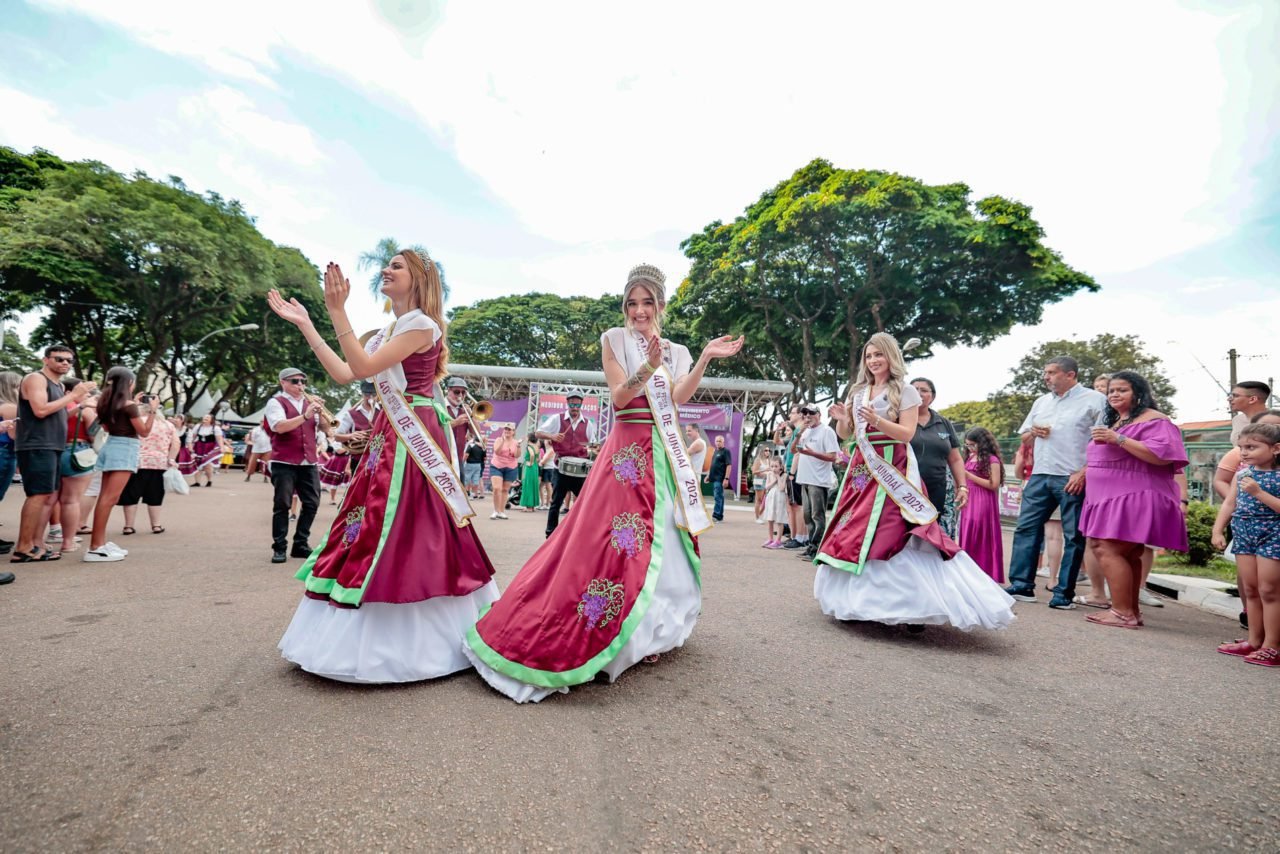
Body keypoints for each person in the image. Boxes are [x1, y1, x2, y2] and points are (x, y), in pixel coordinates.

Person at [465, 262, 743, 701]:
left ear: (660, 305)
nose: (638, 311)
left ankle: (653, 630)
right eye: (631, 303)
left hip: (662, 452)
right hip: (627, 453)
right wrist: (647, 367)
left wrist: (704, 357)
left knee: (665, 536)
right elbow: (619, 396)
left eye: (647, 302)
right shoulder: (613, 340)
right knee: (614, 539)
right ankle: (616, 629)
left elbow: (678, 398)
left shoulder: (678, 349)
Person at [269, 249, 498, 683]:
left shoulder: (421, 324)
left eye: (396, 266)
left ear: (419, 278)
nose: (385, 270)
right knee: (371, 522)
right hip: (388, 434)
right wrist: (308, 324)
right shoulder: (387, 331)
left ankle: (423, 637)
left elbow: (364, 366)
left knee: (410, 525)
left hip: (416, 434)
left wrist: (337, 310)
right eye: (386, 265)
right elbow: (345, 372)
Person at [813, 333, 1015, 631]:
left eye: (879, 355)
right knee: (854, 529)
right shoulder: (859, 391)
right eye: (869, 356)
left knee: (894, 528)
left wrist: (877, 420)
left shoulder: (904, 391)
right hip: (862, 470)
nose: (873, 361)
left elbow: (907, 434)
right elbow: (848, 435)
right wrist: (844, 419)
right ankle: (855, 604)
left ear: (891, 357)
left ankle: (911, 606)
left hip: (893, 466)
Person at [1077, 371, 1188, 630]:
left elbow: (1163, 456)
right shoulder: (1119, 421)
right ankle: (1130, 611)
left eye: (1122, 390)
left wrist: (1119, 439)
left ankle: (1121, 612)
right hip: (1108, 495)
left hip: (1132, 493)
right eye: (1111, 390)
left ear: (1138, 393)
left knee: (1108, 548)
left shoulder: (1156, 420)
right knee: (1126, 552)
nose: (1114, 394)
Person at [1002, 355, 1107, 609]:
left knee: (1073, 536)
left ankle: (1063, 593)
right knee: (1026, 529)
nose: (1046, 377)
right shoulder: (1041, 402)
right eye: (1045, 372)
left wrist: (1084, 472)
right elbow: (1025, 436)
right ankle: (1021, 585)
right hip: (1039, 474)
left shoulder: (1095, 400)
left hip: (1072, 477)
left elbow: (1103, 442)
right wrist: (1033, 433)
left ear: (1070, 375)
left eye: (1051, 372)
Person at [12, 345, 96, 564]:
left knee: (46, 495)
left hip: (51, 446)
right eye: (59, 359)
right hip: (38, 444)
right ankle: (23, 548)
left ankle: (33, 544)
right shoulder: (36, 378)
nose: (65, 363)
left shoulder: (57, 385)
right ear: (45, 359)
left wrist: (78, 405)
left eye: (70, 360)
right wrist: (74, 396)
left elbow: (56, 413)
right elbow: (40, 411)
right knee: (38, 495)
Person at [1212, 422, 1280, 666]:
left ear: (1276, 448)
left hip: (1273, 535)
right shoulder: (1243, 474)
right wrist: (1218, 529)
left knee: (1269, 591)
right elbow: (1230, 503)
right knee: (1250, 590)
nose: (1245, 452)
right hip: (1244, 535)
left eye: (1252, 447)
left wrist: (1259, 492)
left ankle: (1273, 646)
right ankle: (1254, 641)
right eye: (1242, 448)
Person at [84, 367, 155, 563]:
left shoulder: (105, 403)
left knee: (104, 498)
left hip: (112, 444)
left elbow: (107, 426)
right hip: (125, 448)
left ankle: (99, 543)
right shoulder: (128, 404)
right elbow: (145, 432)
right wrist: (153, 412)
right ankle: (96, 547)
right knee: (109, 499)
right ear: (129, 383)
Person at [263, 368, 330, 564]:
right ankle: (279, 547)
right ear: (282, 382)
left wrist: (322, 413)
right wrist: (306, 415)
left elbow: (327, 429)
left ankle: (300, 543)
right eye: (295, 381)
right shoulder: (275, 402)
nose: (300, 385)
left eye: (303, 381)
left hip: (308, 460)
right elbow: (280, 427)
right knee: (282, 504)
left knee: (312, 503)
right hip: (284, 461)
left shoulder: (310, 402)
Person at [908, 378, 968, 538]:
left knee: (939, 541)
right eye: (914, 389)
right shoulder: (899, 420)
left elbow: (955, 459)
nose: (919, 393)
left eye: (924, 390)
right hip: (906, 491)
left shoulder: (944, 423)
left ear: (932, 397)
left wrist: (962, 487)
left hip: (940, 491)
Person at [535, 391, 599, 537]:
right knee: (555, 503)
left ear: (581, 405)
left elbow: (593, 445)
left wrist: (595, 449)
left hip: (580, 471)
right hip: (560, 469)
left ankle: (584, 534)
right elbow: (538, 433)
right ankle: (550, 534)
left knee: (586, 504)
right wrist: (552, 436)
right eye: (572, 404)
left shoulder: (588, 424)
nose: (574, 407)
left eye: (577, 404)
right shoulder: (557, 419)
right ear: (568, 404)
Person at [119, 397, 179, 536]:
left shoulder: (135, 422)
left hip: (136, 462)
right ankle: (156, 525)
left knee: (131, 494)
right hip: (159, 463)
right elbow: (176, 444)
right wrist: (171, 459)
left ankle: (128, 526)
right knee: (155, 495)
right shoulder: (167, 425)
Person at [54, 377, 100, 554]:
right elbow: (95, 435)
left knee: (51, 499)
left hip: (55, 451)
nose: (87, 396)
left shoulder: (57, 408)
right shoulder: (84, 411)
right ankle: (68, 542)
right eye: (84, 392)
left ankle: (45, 536)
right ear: (70, 392)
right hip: (78, 451)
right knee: (71, 500)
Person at [958, 427, 1005, 583]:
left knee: (980, 532)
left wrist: (969, 475)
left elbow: (994, 484)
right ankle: (967, 572)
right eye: (967, 445)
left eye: (972, 445)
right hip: (969, 499)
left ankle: (984, 572)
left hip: (983, 499)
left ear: (982, 443)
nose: (970, 448)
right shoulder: (970, 457)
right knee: (967, 531)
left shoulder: (992, 460)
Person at [793, 404, 838, 560]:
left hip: (818, 481)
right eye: (804, 414)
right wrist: (798, 435)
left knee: (817, 516)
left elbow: (833, 456)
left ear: (819, 414)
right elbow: (793, 450)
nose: (807, 416)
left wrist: (812, 453)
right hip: (804, 479)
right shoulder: (805, 431)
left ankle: (817, 549)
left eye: (811, 413)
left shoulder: (827, 431)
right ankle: (811, 547)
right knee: (807, 516)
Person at [488, 424, 520, 520]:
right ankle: (495, 511)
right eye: (506, 429)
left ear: (513, 432)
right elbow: (497, 452)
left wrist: (518, 447)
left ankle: (501, 512)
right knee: (497, 488)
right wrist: (502, 441)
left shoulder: (515, 442)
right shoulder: (498, 439)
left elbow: (517, 455)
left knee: (505, 490)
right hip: (497, 466)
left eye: (509, 429)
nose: (507, 431)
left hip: (511, 467)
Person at [443, 377, 474, 465]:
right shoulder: (439, 405)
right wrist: (455, 423)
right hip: (442, 456)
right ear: (448, 390)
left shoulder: (464, 409)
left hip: (458, 458)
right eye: (456, 392)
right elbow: (433, 429)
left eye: (463, 392)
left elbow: (476, 433)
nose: (460, 395)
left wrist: (471, 416)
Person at [317, 429, 351, 505]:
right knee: (334, 480)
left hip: (347, 460)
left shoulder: (350, 440)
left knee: (349, 481)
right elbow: (339, 451)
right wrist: (350, 448)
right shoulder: (336, 441)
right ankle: (332, 499)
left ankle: (347, 500)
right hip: (338, 461)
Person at [188, 414, 222, 487]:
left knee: (207, 465)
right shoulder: (198, 426)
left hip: (209, 447)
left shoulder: (215, 428)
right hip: (199, 446)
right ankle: (197, 482)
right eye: (205, 417)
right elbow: (193, 437)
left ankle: (209, 480)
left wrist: (221, 447)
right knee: (197, 464)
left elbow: (219, 439)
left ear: (211, 419)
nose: (205, 418)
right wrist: (189, 445)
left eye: (208, 417)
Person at [762, 456, 789, 548]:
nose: (774, 468)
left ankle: (778, 540)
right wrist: (774, 480)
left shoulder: (784, 475)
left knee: (779, 519)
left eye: (776, 466)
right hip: (771, 497)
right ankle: (770, 538)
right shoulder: (769, 474)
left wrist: (778, 476)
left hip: (780, 498)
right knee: (770, 519)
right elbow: (767, 487)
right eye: (772, 466)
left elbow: (782, 488)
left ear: (781, 466)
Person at [706, 434, 732, 522]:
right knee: (720, 497)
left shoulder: (726, 451)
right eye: (716, 441)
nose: (718, 443)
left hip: (720, 478)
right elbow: (713, 465)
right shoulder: (715, 452)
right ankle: (719, 516)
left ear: (723, 442)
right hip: (714, 478)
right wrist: (708, 476)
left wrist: (726, 478)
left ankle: (716, 515)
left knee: (717, 497)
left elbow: (729, 465)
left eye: (720, 441)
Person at [519, 432, 541, 512]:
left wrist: (530, 462)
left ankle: (527, 506)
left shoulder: (529, 446)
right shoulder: (536, 446)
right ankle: (532, 506)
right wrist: (533, 462)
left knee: (527, 485)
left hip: (530, 467)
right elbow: (538, 458)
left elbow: (531, 455)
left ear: (529, 438)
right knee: (533, 485)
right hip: (535, 467)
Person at [751, 445, 771, 523]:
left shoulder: (768, 460)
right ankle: (757, 517)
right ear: (762, 451)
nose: (767, 452)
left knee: (766, 500)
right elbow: (754, 472)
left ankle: (759, 515)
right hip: (759, 480)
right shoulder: (758, 460)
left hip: (767, 480)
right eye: (766, 450)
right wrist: (765, 470)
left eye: (768, 450)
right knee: (758, 500)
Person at [538, 439, 556, 509]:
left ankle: (548, 504)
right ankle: (543, 503)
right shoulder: (548, 450)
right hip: (546, 469)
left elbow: (544, 460)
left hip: (549, 469)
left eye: (545, 441)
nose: (544, 442)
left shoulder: (551, 450)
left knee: (548, 487)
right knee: (541, 486)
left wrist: (540, 462)